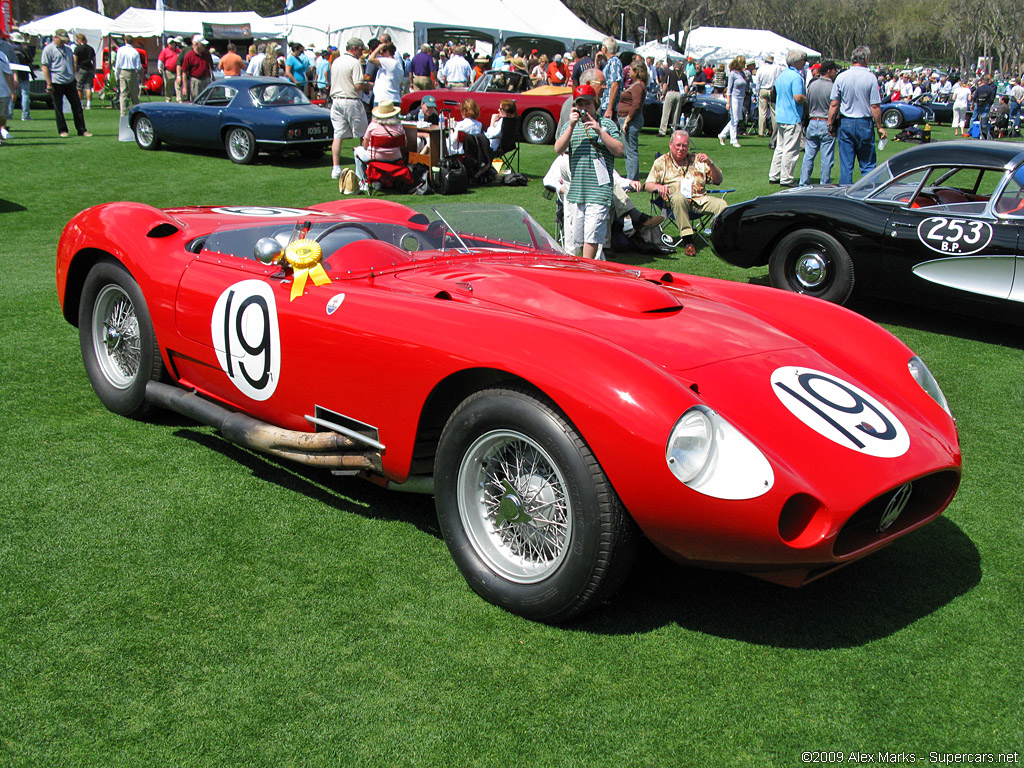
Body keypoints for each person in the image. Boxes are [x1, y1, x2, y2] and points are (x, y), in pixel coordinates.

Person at [553, 83, 624, 259]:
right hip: (577, 192)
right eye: (580, 104)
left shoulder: (606, 123)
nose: (584, 108)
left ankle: (587, 271)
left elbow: (619, 150)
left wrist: (600, 131)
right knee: (579, 239)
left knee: (591, 239)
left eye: (588, 104)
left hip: (599, 192)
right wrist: (570, 126)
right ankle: (586, 271)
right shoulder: (571, 126)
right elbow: (558, 148)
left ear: (595, 104)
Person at [644, 129, 726, 257]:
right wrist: (658, 187)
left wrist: (711, 163)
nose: (681, 148)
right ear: (671, 145)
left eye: (684, 145)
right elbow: (648, 185)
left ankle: (723, 240)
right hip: (674, 202)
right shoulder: (661, 162)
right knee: (678, 198)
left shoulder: (697, 160)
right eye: (678, 145)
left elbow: (718, 180)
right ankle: (688, 241)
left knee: (722, 204)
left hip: (699, 199)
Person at [828, 45, 886, 184]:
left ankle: (844, 195)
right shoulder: (870, 78)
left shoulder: (841, 76)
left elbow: (834, 104)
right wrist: (879, 126)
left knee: (846, 166)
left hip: (846, 122)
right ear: (866, 58)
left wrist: (830, 123)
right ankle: (870, 192)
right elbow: (875, 106)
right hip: (864, 122)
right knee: (868, 165)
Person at [329, 37, 369, 180]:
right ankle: (364, 165)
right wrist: (369, 85)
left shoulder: (336, 61)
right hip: (351, 100)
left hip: (336, 100)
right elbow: (358, 84)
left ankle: (336, 168)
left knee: (338, 135)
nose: (361, 54)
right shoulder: (355, 63)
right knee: (363, 134)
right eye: (360, 50)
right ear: (355, 49)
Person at [41, 29, 91, 138]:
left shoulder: (68, 50)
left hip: (69, 81)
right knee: (59, 108)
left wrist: (73, 76)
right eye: (61, 40)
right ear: (56, 38)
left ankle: (82, 130)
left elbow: (73, 63)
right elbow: (45, 66)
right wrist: (49, 83)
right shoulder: (48, 49)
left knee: (77, 106)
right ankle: (62, 130)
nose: (64, 42)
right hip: (56, 81)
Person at [768, 50, 806, 186]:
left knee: (780, 147)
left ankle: (774, 174)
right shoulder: (796, 77)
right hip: (792, 116)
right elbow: (798, 97)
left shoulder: (782, 75)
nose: (805, 62)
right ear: (797, 61)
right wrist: (806, 98)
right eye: (803, 60)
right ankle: (786, 178)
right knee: (791, 149)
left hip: (781, 115)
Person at [351, 100, 406, 192]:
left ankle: (363, 181)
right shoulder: (399, 127)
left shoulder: (373, 126)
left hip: (375, 158)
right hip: (396, 158)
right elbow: (405, 143)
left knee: (357, 150)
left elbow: (364, 145)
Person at [800, 60, 838, 186]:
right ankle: (824, 183)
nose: (836, 72)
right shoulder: (833, 87)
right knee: (826, 158)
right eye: (834, 70)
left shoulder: (812, 85)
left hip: (812, 121)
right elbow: (835, 106)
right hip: (825, 122)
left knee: (808, 156)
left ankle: (803, 182)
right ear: (829, 71)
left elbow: (807, 104)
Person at [616, 60, 646, 180]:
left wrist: (627, 121)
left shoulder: (638, 86)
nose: (629, 71)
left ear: (636, 72)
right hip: (628, 119)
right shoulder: (636, 84)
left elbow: (636, 105)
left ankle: (632, 179)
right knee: (629, 151)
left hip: (631, 121)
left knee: (631, 152)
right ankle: (631, 178)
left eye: (631, 70)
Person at [718, 55, 747, 148]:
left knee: (736, 119)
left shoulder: (742, 74)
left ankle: (722, 134)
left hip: (741, 98)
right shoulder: (732, 74)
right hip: (734, 97)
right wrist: (728, 102)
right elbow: (729, 89)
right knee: (734, 119)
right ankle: (733, 140)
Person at [114, 36, 142, 117]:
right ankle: (136, 111)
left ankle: (122, 113)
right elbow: (138, 66)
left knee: (123, 93)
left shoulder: (120, 50)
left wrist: (116, 76)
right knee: (134, 94)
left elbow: (117, 64)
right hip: (132, 72)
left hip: (123, 71)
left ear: (125, 41)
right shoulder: (135, 52)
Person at [180, 35, 214, 102]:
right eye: (203, 44)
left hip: (206, 80)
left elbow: (210, 68)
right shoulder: (189, 56)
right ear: (197, 44)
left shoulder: (206, 54)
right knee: (196, 100)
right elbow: (184, 72)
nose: (205, 46)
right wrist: (184, 87)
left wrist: (213, 80)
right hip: (195, 81)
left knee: (208, 100)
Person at [659, 60, 687, 136]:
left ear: (674, 66)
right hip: (679, 94)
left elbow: (665, 84)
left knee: (666, 113)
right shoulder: (683, 75)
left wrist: (663, 94)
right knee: (676, 114)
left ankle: (662, 131)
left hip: (670, 93)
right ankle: (673, 130)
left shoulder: (669, 73)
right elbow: (686, 87)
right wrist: (685, 97)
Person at [757, 53, 782, 138]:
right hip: (772, 89)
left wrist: (757, 90)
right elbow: (778, 79)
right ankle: (775, 132)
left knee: (762, 112)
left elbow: (757, 81)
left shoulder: (761, 69)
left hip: (763, 89)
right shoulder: (776, 68)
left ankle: (761, 132)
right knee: (773, 112)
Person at [10, 31, 32, 120]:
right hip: (24, 73)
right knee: (25, 94)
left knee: (12, 94)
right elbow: (30, 59)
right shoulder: (25, 48)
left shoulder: (10, 48)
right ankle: (25, 115)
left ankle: (9, 114)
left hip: (13, 72)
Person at [599, 37, 622, 120]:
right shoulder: (609, 62)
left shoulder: (614, 62)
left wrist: (609, 108)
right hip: (605, 104)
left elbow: (615, 85)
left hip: (608, 106)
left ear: (604, 48)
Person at [74, 33, 96, 111]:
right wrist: (94, 70)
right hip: (89, 68)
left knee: (79, 87)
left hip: (81, 69)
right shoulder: (90, 48)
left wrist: (74, 70)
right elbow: (94, 60)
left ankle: (81, 103)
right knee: (88, 87)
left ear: (80, 39)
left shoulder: (78, 49)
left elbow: (75, 61)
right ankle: (88, 104)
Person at [158, 37, 181, 101]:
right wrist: (159, 67)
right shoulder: (165, 51)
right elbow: (160, 60)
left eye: (173, 43)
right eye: (171, 43)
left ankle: (179, 100)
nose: (172, 44)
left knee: (178, 87)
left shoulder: (178, 51)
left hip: (177, 72)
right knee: (168, 87)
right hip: (168, 72)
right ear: (168, 44)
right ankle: (168, 99)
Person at [0, 49, 12, 142]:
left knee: (2, 116)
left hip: (2, 91)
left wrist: (12, 91)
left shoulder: (2, 55)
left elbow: (7, 73)